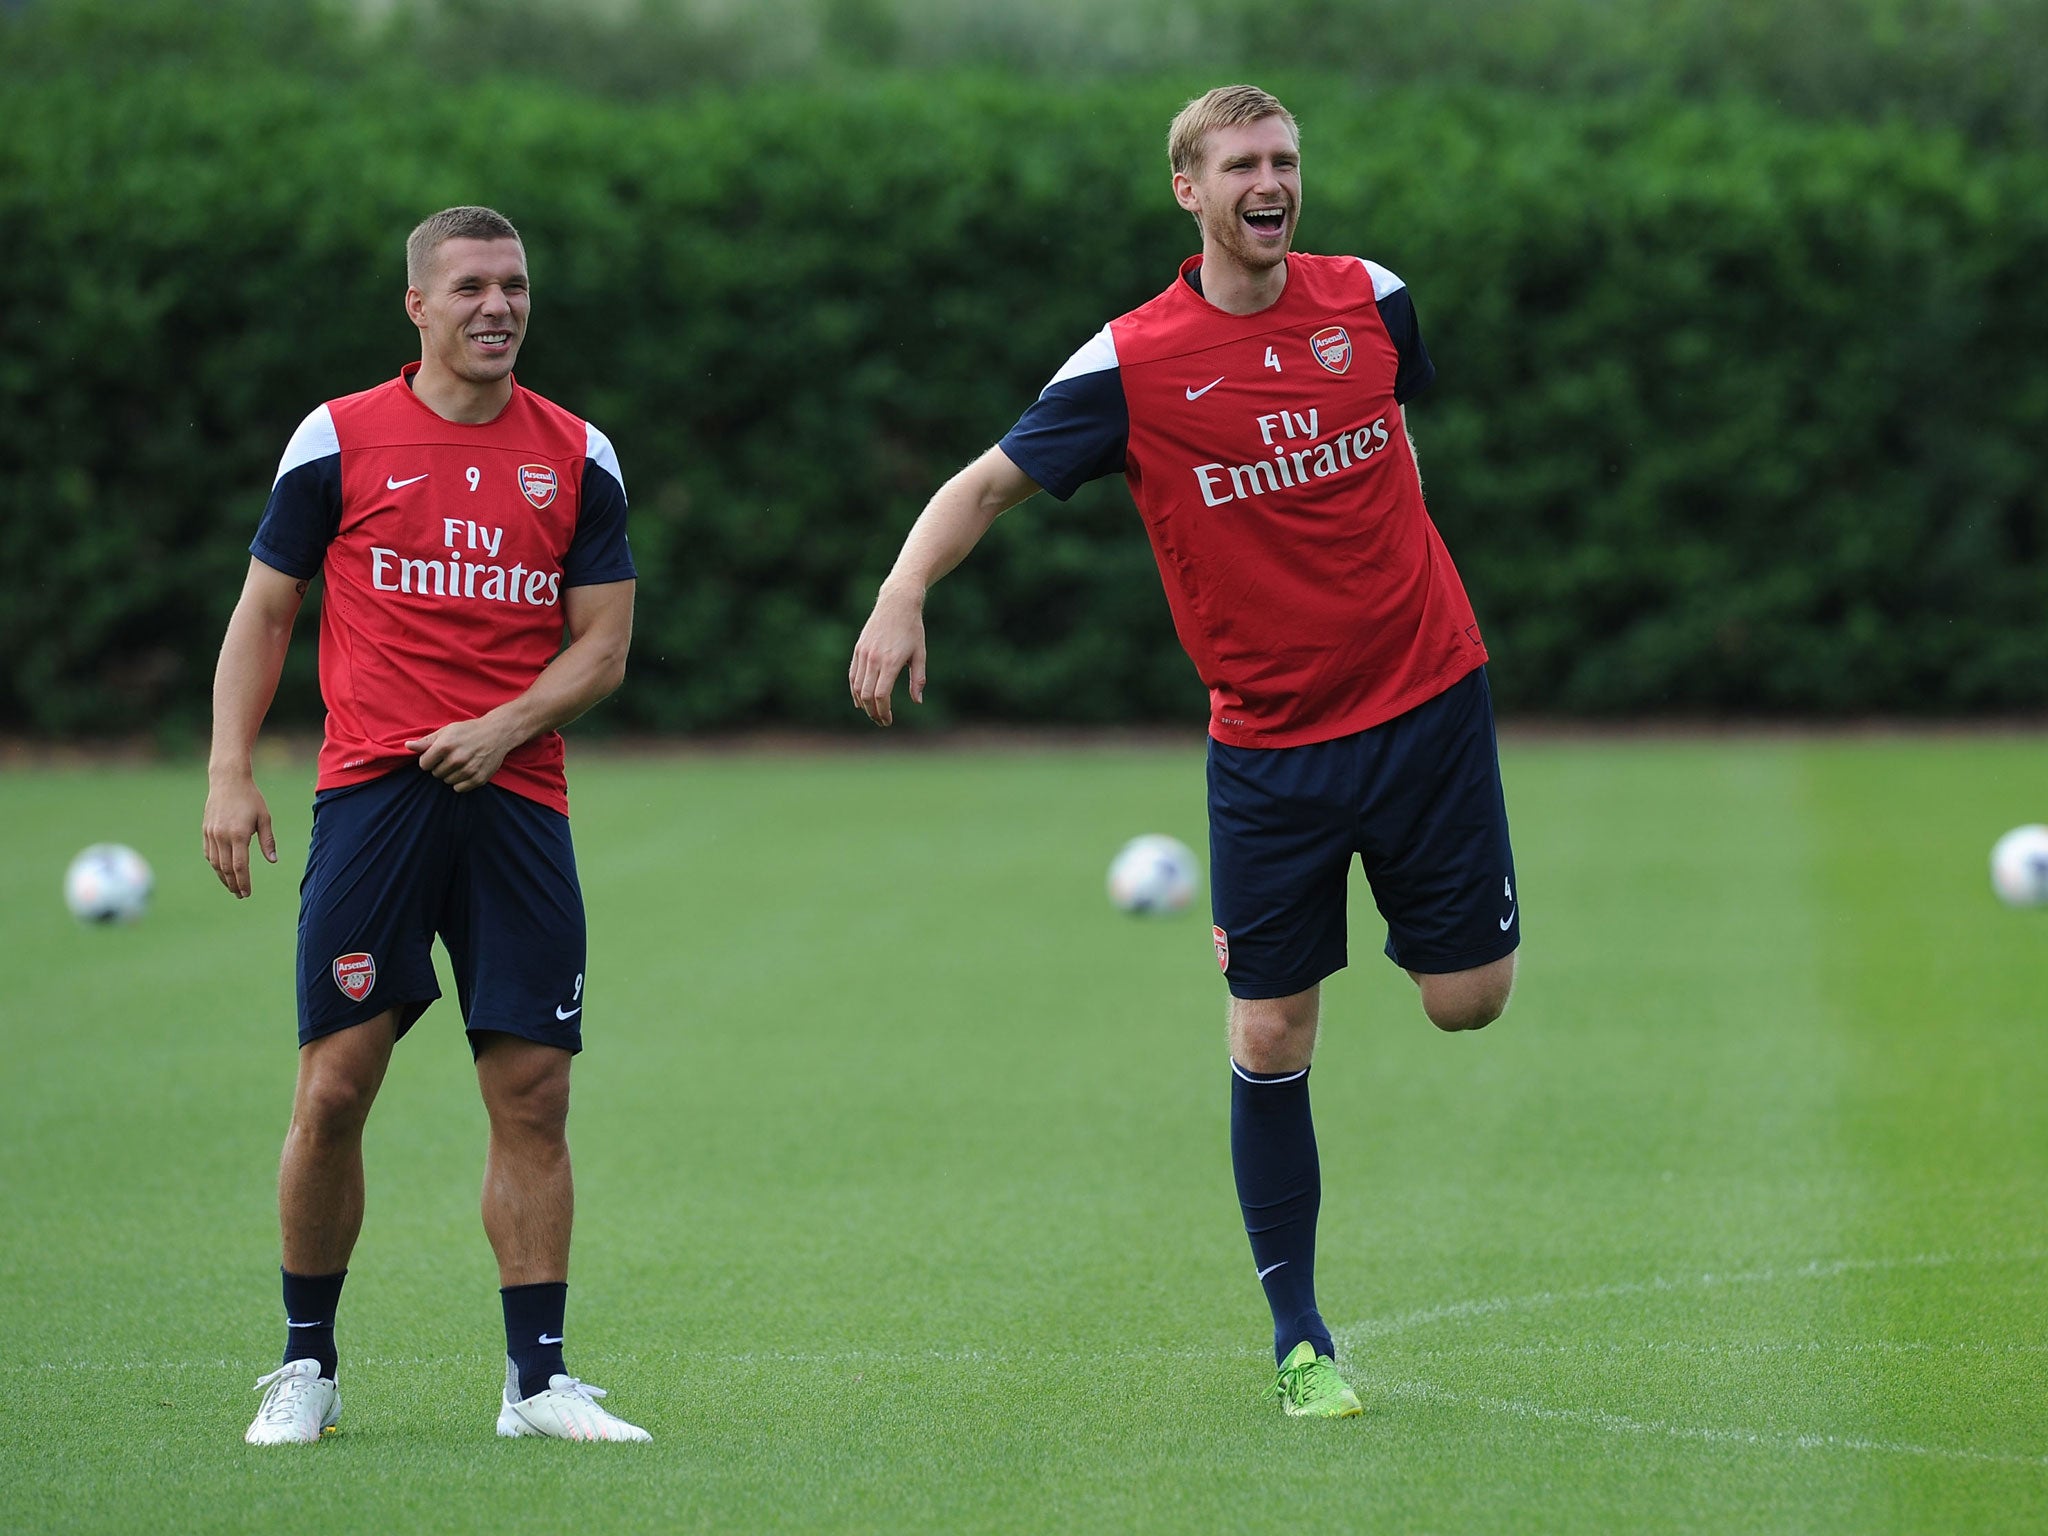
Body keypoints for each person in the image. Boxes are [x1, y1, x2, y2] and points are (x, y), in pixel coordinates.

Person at [848, 86, 1518, 1418]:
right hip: (1272, 750)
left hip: (1431, 702)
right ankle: (1299, 1339)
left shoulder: (1373, 301)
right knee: (1271, 1032)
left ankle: (1416, 935)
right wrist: (900, 594)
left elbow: (1398, 436)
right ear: (1189, 192)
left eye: (1285, 160)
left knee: (1470, 1003)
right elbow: (983, 483)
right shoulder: (1131, 363)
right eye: (1242, 165)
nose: (1271, 182)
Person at [203, 205, 649, 1444]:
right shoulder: (339, 437)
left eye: (513, 285)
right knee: (336, 1087)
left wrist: (504, 726)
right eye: (470, 287)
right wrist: (229, 770)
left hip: (515, 803)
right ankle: (305, 1369)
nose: (498, 306)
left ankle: (538, 1383)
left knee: (533, 1092)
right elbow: (266, 610)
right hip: (373, 798)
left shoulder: (575, 452)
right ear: (418, 305)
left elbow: (602, 648)